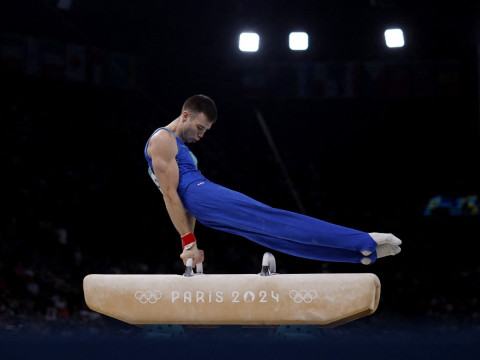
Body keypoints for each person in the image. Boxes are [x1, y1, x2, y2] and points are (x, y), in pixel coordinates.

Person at [144, 94, 401, 268]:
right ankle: (360, 245)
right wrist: (189, 244)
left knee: (273, 227)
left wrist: (190, 242)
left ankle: (362, 248)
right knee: (272, 229)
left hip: (202, 201)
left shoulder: (179, 147)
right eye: (200, 127)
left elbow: (180, 200)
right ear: (185, 115)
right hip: (201, 196)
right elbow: (170, 195)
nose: (201, 135)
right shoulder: (162, 140)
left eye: (205, 131)